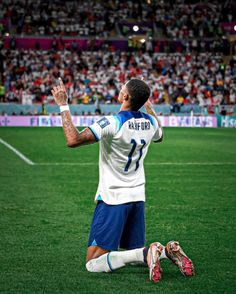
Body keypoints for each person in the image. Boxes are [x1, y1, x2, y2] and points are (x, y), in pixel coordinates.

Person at [51, 78, 195, 283]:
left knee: (93, 263)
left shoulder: (112, 122)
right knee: (132, 254)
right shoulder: (151, 123)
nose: (119, 89)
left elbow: (73, 140)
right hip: (137, 197)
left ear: (125, 96)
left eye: (122, 88)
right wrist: (149, 109)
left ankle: (148, 252)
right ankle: (165, 252)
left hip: (113, 198)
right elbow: (160, 136)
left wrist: (63, 104)